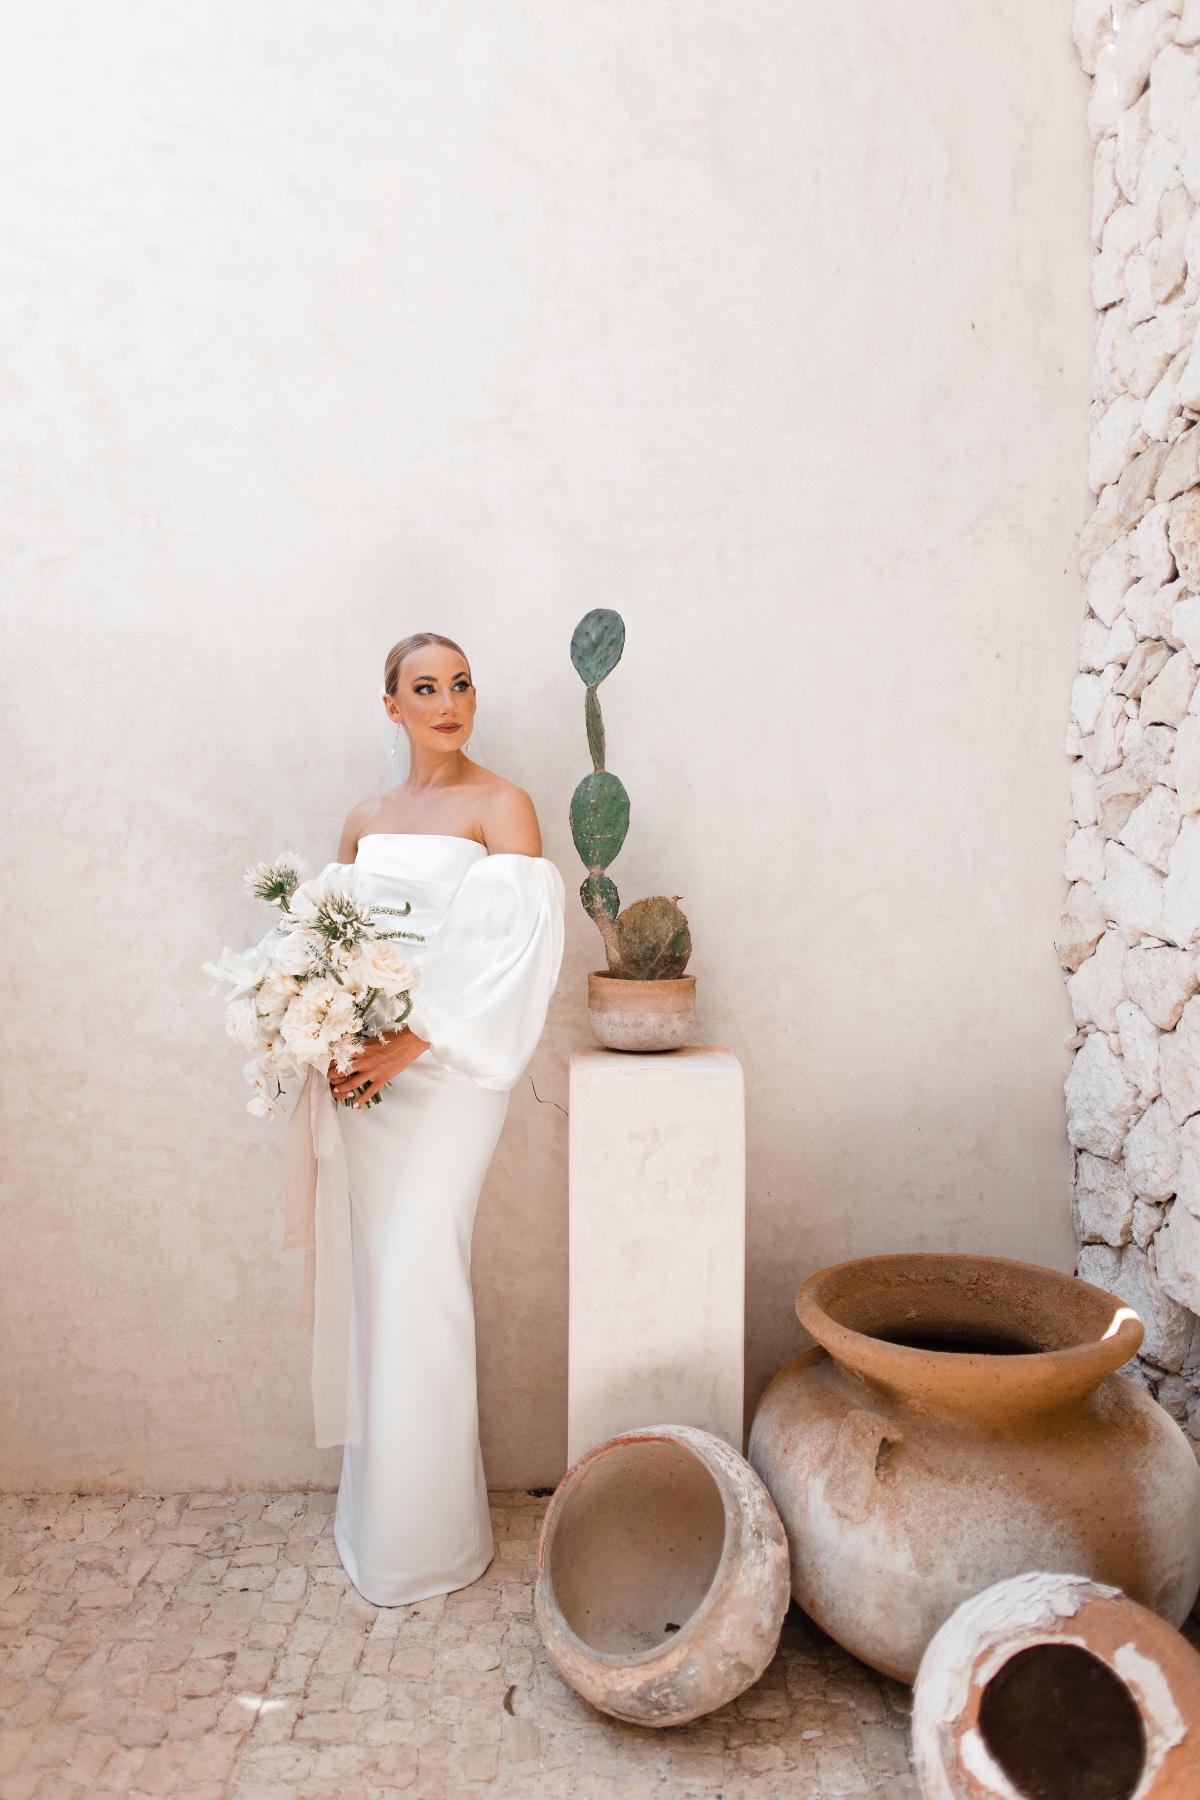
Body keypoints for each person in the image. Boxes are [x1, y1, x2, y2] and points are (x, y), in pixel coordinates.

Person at [315, 632, 564, 1606]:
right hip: (367, 1082)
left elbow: (512, 955)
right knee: (385, 1280)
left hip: (452, 1074)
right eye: (426, 687)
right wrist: (329, 1038)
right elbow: (333, 946)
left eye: (461, 684)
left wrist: (409, 1044)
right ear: (393, 706)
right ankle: (381, 1524)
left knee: (423, 1272)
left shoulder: (502, 805)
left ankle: (430, 1545)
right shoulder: (365, 819)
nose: (449, 700)